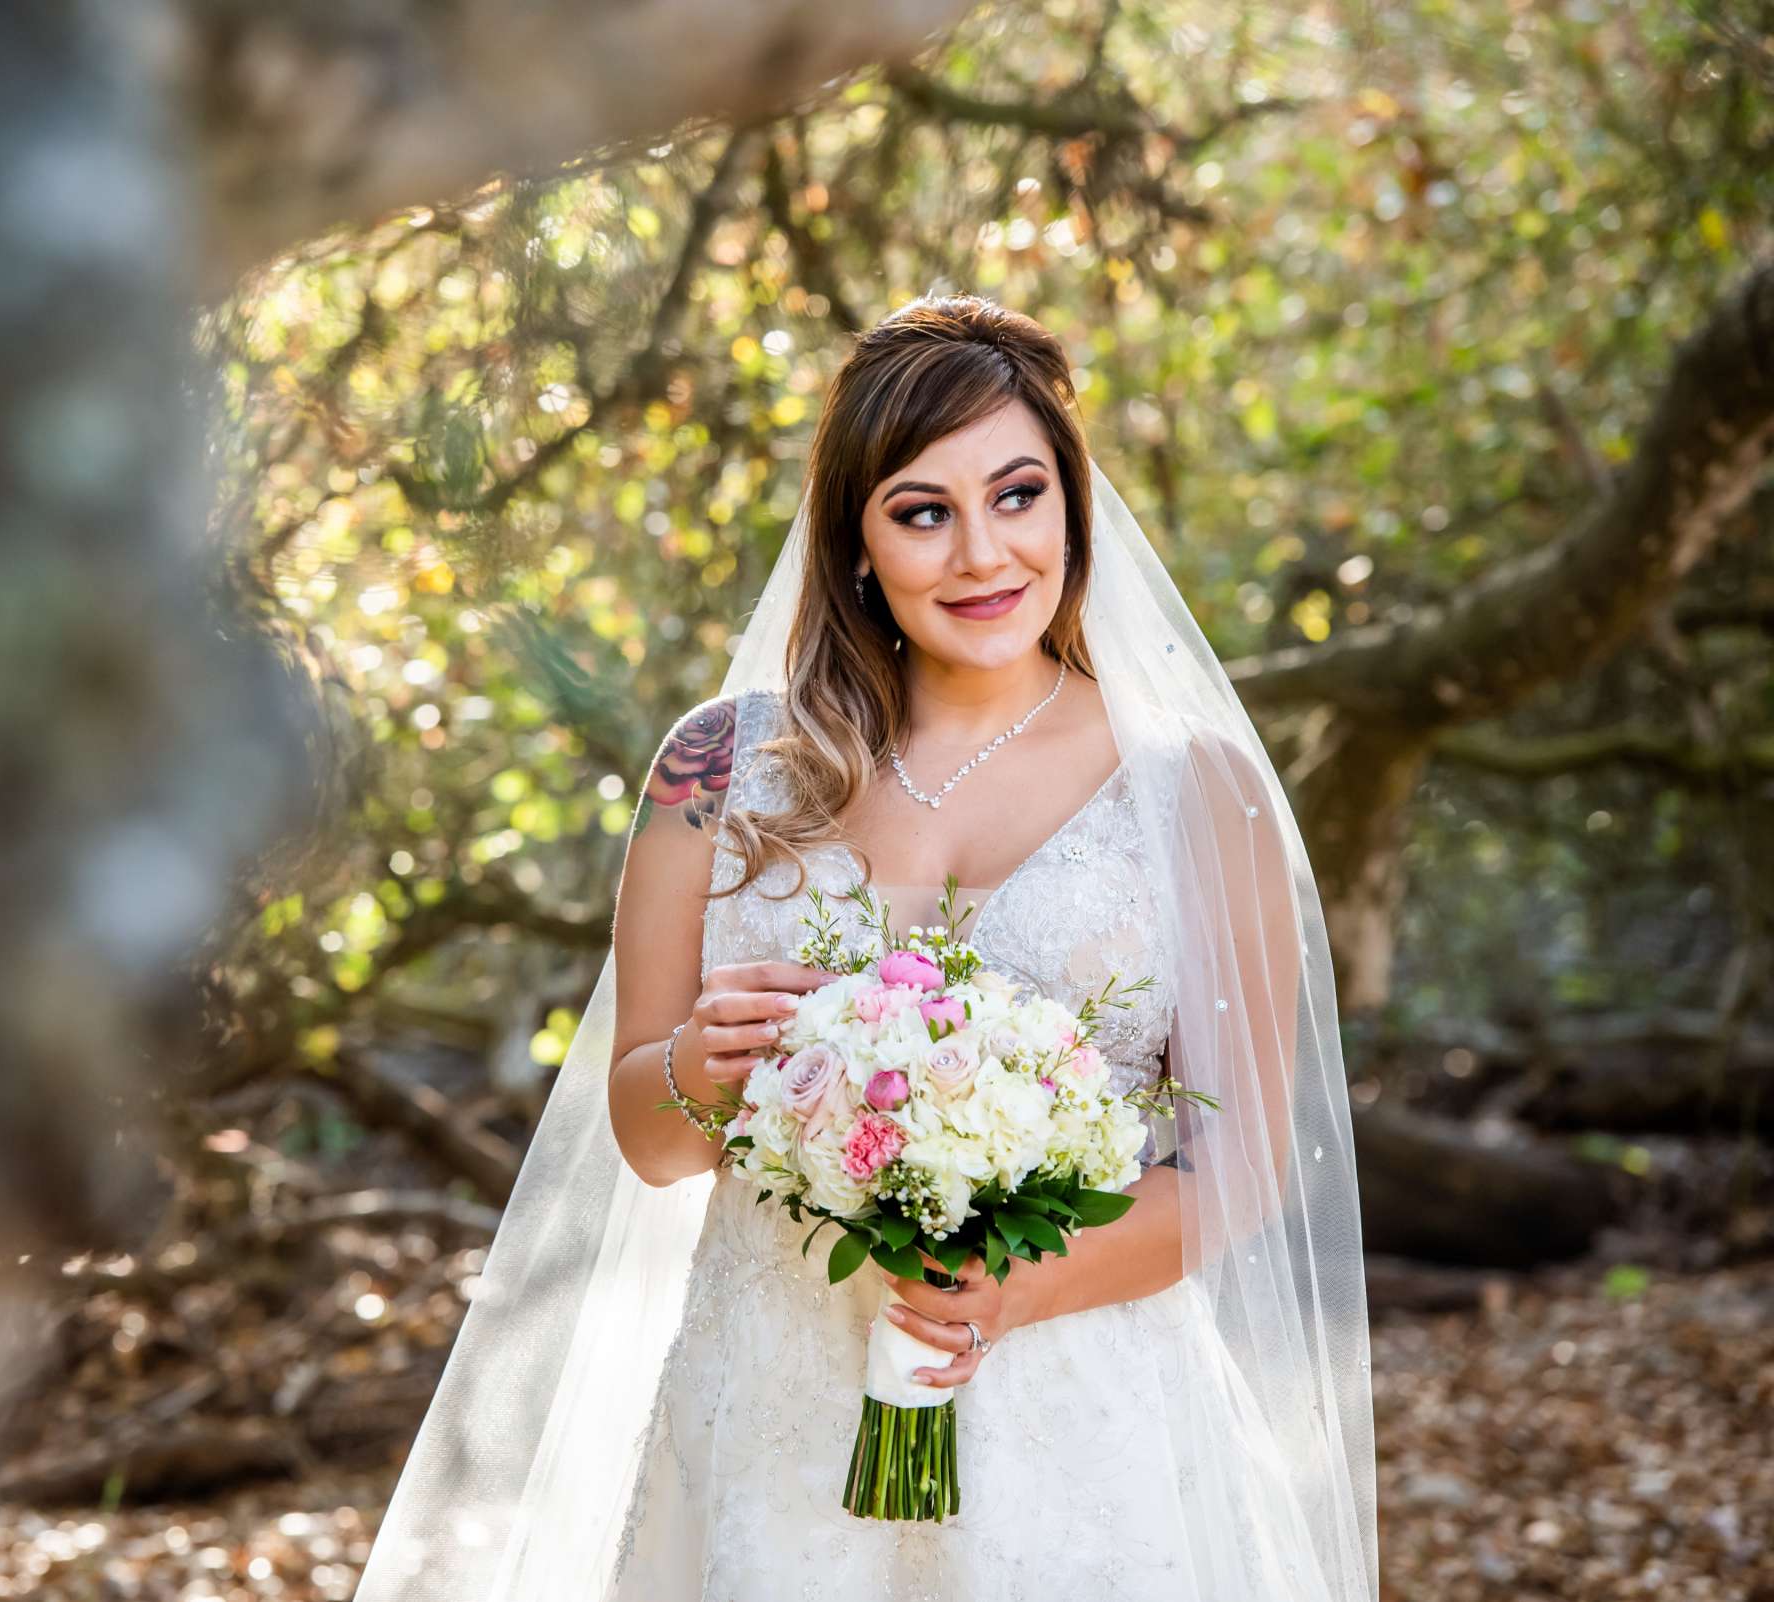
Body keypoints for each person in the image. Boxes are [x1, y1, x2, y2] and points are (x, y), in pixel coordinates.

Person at [352, 295, 1377, 1602]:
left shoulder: (1195, 789)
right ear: (855, 539)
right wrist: (695, 1070)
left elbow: (1240, 1164)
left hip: (1083, 1406)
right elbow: (649, 1140)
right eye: (923, 510)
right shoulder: (717, 768)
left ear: (1074, 506)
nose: (982, 553)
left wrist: (1010, 1288)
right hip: (777, 1394)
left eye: (1017, 495)